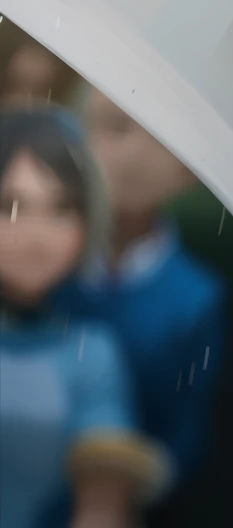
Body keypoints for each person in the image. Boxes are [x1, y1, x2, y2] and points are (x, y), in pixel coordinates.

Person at [58, 91, 226, 513]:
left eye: (162, 140)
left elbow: (188, 429)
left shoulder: (196, 297)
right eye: (114, 127)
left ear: (189, 168)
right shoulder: (44, 265)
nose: (134, 155)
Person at [0, 107, 164, 528]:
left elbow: (103, 497)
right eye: (12, 206)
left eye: (60, 210)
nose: (36, 235)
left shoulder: (90, 353)